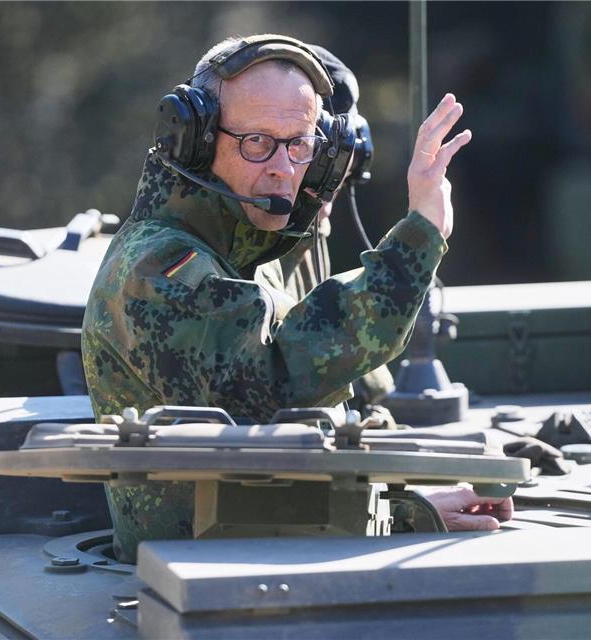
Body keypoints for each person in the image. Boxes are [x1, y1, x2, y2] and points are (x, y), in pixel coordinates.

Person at [82, 34, 507, 563]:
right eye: (257, 142)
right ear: (196, 140)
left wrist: (429, 473)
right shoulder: (155, 270)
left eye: (300, 144)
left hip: (270, 554)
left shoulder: (251, 248)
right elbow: (274, 384)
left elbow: (315, 427)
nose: (283, 168)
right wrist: (418, 238)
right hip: (205, 575)